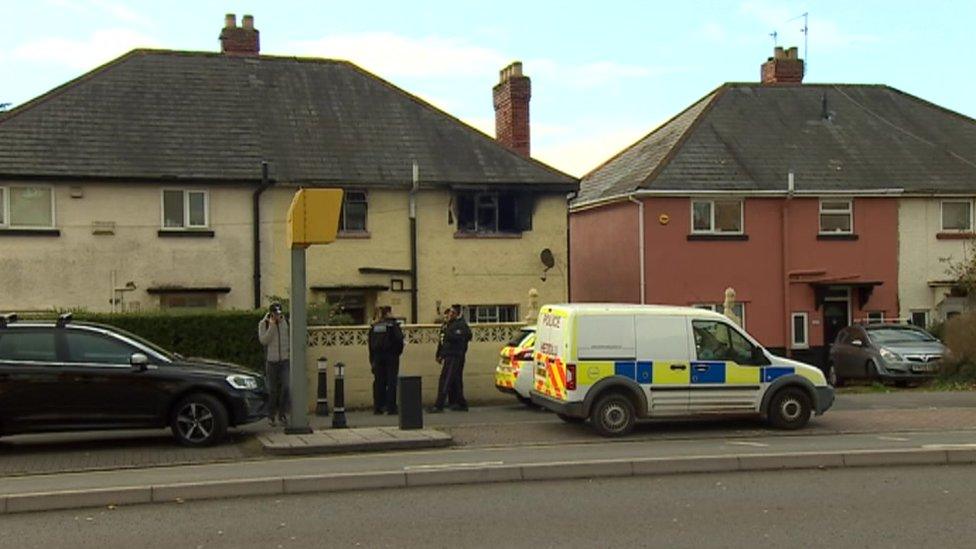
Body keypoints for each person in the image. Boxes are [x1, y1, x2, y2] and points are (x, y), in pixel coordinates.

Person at [428, 304, 472, 413]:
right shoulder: (447, 325)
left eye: (452, 313)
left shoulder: (460, 325)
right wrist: (439, 354)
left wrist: (449, 331)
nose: (449, 314)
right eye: (448, 313)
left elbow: (462, 337)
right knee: (455, 380)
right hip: (448, 355)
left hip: (455, 355)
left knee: (445, 379)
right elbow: (442, 341)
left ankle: (439, 405)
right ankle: (460, 403)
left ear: (457, 314)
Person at [258, 302, 290, 427]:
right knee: (272, 390)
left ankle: (282, 414)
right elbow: (263, 341)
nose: (277, 317)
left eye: (279, 314)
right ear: (271, 314)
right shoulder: (263, 324)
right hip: (271, 361)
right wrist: (271, 326)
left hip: (285, 360)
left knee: (286, 387)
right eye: (275, 314)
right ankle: (271, 416)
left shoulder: (286, 322)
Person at [368, 306, 405, 415]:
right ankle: (391, 407)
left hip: (377, 357)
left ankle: (378, 407)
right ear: (389, 312)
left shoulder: (375, 327)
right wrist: (397, 353)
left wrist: (372, 360)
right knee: (391, 382)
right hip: (391, 356)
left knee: (379, 382)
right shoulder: (392, 325)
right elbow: (399, 340)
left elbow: (370, 344)